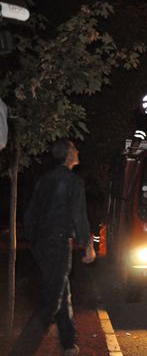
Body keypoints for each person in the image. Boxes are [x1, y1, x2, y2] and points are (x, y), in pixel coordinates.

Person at [10, 139, 96, 356]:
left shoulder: (44, 180)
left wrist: (33, 241)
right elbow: (79, 215)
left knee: (61, 291)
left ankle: (68, 344)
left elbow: (30, 214)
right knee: (51, 301)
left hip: (42, 245)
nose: (77, 151)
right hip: (58, 245)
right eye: (74, 148)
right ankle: (22, 350)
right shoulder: (73, 181)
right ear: (68, 154)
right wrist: (87, 245)